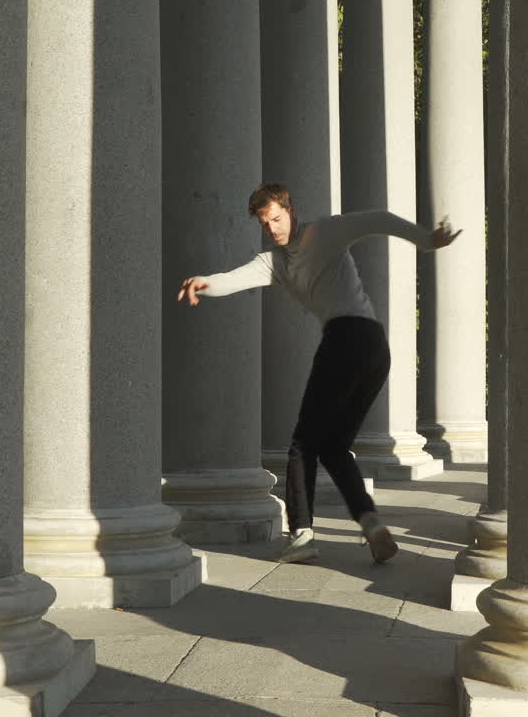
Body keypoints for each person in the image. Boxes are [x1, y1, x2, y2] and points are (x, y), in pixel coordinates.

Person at [176, 183, 460, 564]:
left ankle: (301, 534)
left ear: (291, 209)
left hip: (350, 338)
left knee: (303, 443)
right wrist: (204, 283)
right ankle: (372, 524)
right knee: (333, 447)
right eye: (265, 224)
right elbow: (234, 278)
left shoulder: (324, 231)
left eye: (276, 219)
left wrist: (426, 240)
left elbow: (378, 219)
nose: (273, 229)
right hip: (373, 348)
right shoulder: (273, 262)